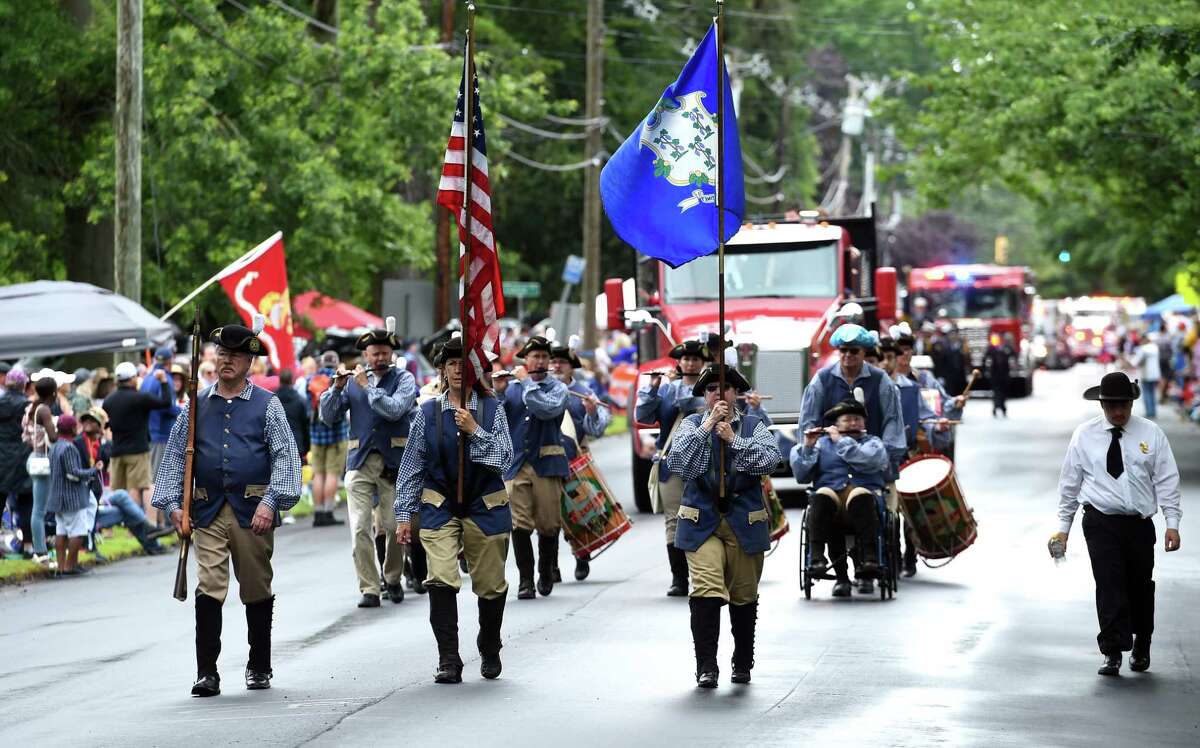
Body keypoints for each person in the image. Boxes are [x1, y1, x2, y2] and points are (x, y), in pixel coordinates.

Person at [153, 320, 302, 696]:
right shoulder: (196, 405)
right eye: (221, 353)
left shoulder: (269, 406)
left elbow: (286, 458)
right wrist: (173, 504)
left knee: (255, 587)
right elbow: (174, 459)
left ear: (250, 361)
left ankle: (259, 665)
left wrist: (272, 500)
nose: (226, 361)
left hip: (254, 511)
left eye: (235, 355)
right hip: (205, 511)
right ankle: (207, 672)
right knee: (210, 586)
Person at [394, 336, 514, 684]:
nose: (459, 369)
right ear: (443, 371)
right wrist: (404, 514)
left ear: (476, 369)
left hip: (485, 503)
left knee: (491, 585)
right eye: (452, 364)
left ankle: (489, 645)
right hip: (440, 504)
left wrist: (474, 431)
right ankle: (448, 657)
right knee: (441, 578)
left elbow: (504, 459)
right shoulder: (428, 412)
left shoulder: (493, 410)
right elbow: (412, 464)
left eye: (465, 363)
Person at [1053, 371, 1182, 676]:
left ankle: (1142, 641)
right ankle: (1112, 650)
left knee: (1139, 585)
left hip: (1138, 523)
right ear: (1102, 405)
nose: (1118, 412)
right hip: (1100, 522)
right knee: (1109, 584)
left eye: (1123, 404)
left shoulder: (1151, 434)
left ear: (1132, 403)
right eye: (1111, 406)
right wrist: (1063, 528)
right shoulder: (1084, 435)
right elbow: (1070, 484)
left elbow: (1166, 479)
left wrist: (1172, 523)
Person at [665, 363, 782, 688]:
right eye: (713, 389)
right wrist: (708, 429)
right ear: (705, 395)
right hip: (701, 521)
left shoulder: (754, 425)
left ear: (736, 393)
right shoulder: (691, 425)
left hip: (744, 520)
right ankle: (706, 665)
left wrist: (733, 440)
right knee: (705, 588)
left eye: (726, 388)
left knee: (744, 595)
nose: (720, 394)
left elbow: (771, 460)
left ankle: (742, 660)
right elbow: (679, 464)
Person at [319, 317, 417, 608]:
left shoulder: (404, 379)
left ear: (391, 355)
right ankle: (369, 588)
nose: (379, 358)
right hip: (359, 462)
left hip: (393, 463)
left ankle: (393, 578)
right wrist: (336, 388)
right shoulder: (351, 382)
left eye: (384, 353)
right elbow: (328, 416)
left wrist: (368, 387)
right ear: (365, 356)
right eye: (374, 354)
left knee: (392, 526)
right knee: (360, 527)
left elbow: (396, 410)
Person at [635, 339, 713, 596]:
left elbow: (689, 405)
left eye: (695, 359)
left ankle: (705, 570)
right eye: (686, 359)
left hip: (704, 462)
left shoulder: (708, 389)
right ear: (679, 363)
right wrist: (653, 388)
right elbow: (642, 417)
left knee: (703, 515)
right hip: (671, 461)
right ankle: (679, 578)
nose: (690, 363)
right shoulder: (667, 390)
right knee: (674, 520)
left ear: (702, 363)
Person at [790, 399, 890, 597]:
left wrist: (841, 441)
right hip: (832, 498)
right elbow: (802, 476)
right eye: (847, 420)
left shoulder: (873, 443)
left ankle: (869, 560)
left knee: (859, 495)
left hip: (863, 497)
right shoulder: (821, 444)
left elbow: (870, 461)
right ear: (836, 425)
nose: (853, 424)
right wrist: (808, 448)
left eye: (857, 419)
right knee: (822, 496)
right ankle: (821, 561)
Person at [503, 335, 569, 599]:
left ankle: (545, 571)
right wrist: (496, 392)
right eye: (535, 357)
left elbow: (545, 409)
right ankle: (525, 579)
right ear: (525, 360)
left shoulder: (558, 388)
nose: (539, 361)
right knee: (518, 524)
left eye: (544, 357)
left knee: (549, 523)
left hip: (547, 463)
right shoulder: (511, 387)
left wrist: (526, 383)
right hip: (517, 464)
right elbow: (497, 417)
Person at [800, 323, 906, 468]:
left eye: (854, 351)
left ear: (864, 352)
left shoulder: (880, 379)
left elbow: (892, 420)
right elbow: (808, 422)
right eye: (843, 350)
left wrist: (885, 456)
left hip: (871, 461)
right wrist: (810, 457)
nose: (848, 355)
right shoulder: (822, 379)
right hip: (831, 463)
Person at [550, 342, 611, 582]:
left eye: (561, 362)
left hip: (577, 458)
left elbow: (597, 428)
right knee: (550, 518)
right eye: (553, 362)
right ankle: (550, 565)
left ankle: (581, 555)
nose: (556, 366)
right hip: (548, 459)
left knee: (579, 513)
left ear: (571, 367)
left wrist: (593, 411)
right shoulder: (537, 390)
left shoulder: (584, 391)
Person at [75, 408, 167, 555]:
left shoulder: (100, 445)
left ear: (100, 426)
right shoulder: (78, 443)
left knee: (126, 511)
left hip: (97, 500)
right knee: (122, 497)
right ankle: (151, 531)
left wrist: (106, 434)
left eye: (92, 420)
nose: (88, 423)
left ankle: (153, 545)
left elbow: (111, 454)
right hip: (84, 501)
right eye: (85, 420)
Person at [106, 361, 172, 527]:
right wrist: (163, 382)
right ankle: (147, 523)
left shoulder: (108, 401)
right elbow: (165, 402)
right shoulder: (140, 398)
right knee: (144, 486)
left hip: (116, 451)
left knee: (122, 490)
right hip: (138, 449)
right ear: (133, 379)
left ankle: (123, 525)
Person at [47, 415, 101, 576]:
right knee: (78, 531)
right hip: (71, 497)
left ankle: (61, 567)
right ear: (72, 429)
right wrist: (94, 470)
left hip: (57, 497)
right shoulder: (69, 448)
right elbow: (74, 473)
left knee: (61, 531)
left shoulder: (55, 446)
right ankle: (70, 567)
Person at [307, 352, 347, 527]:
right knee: (332, 474)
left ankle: (318, 513)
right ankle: (328, 511)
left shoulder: (311, 380)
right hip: (336, 434)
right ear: (336, 362)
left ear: (321, 362)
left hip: (316, 434)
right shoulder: (337, 378)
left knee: (319, 474)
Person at [23, 376, 59, 564]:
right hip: (42, 460)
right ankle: (40, 552)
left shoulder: (31, 407)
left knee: (39, 508)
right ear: (53, 392)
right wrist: (59, 426)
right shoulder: (44, 410)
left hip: (34, 457)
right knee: (39, 510)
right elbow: (52, 437)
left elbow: (25, 434)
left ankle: (41, 549)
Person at [1, 369, 33, 557]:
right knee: (26, 502)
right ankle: (28, 545)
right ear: (24, 385)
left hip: (1, 458)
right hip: (23, 458)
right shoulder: (27, 406)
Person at [145, 347, 179, 479]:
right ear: (169, 361)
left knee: (151, 475)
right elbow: (166, 406)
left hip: (149, 431)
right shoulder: (164, 378)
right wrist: (181, 411)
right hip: (161, 433)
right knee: (158, 477)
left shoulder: (147, 378)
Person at [274, 368, 310, 462]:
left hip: (277, 444)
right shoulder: (300, 400)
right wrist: (307, 447)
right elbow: (305, 425)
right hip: (297, 444)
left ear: (280, 380)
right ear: (292, 380)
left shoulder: (271, 399)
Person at [1126, 333, 1162, 419]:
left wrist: (1128, 360)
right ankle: (1153, 411)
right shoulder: (1155, 347)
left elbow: (1136, 362)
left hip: (1146, 374)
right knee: (1153, 392)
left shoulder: (1143, 349)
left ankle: (1149, 412)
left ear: (1143, 340)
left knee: (1147, 393)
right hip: (1155, 374)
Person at [983, 333, 1014, 417]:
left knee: (1003, 392)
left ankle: (1003, 408)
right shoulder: (992, 348)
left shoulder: (1007, 347)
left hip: (1004, 374)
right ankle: (996, 407)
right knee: (996, 392)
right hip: (995, 374)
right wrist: (985, 370)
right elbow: (985, 358)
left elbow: (1013, 355)